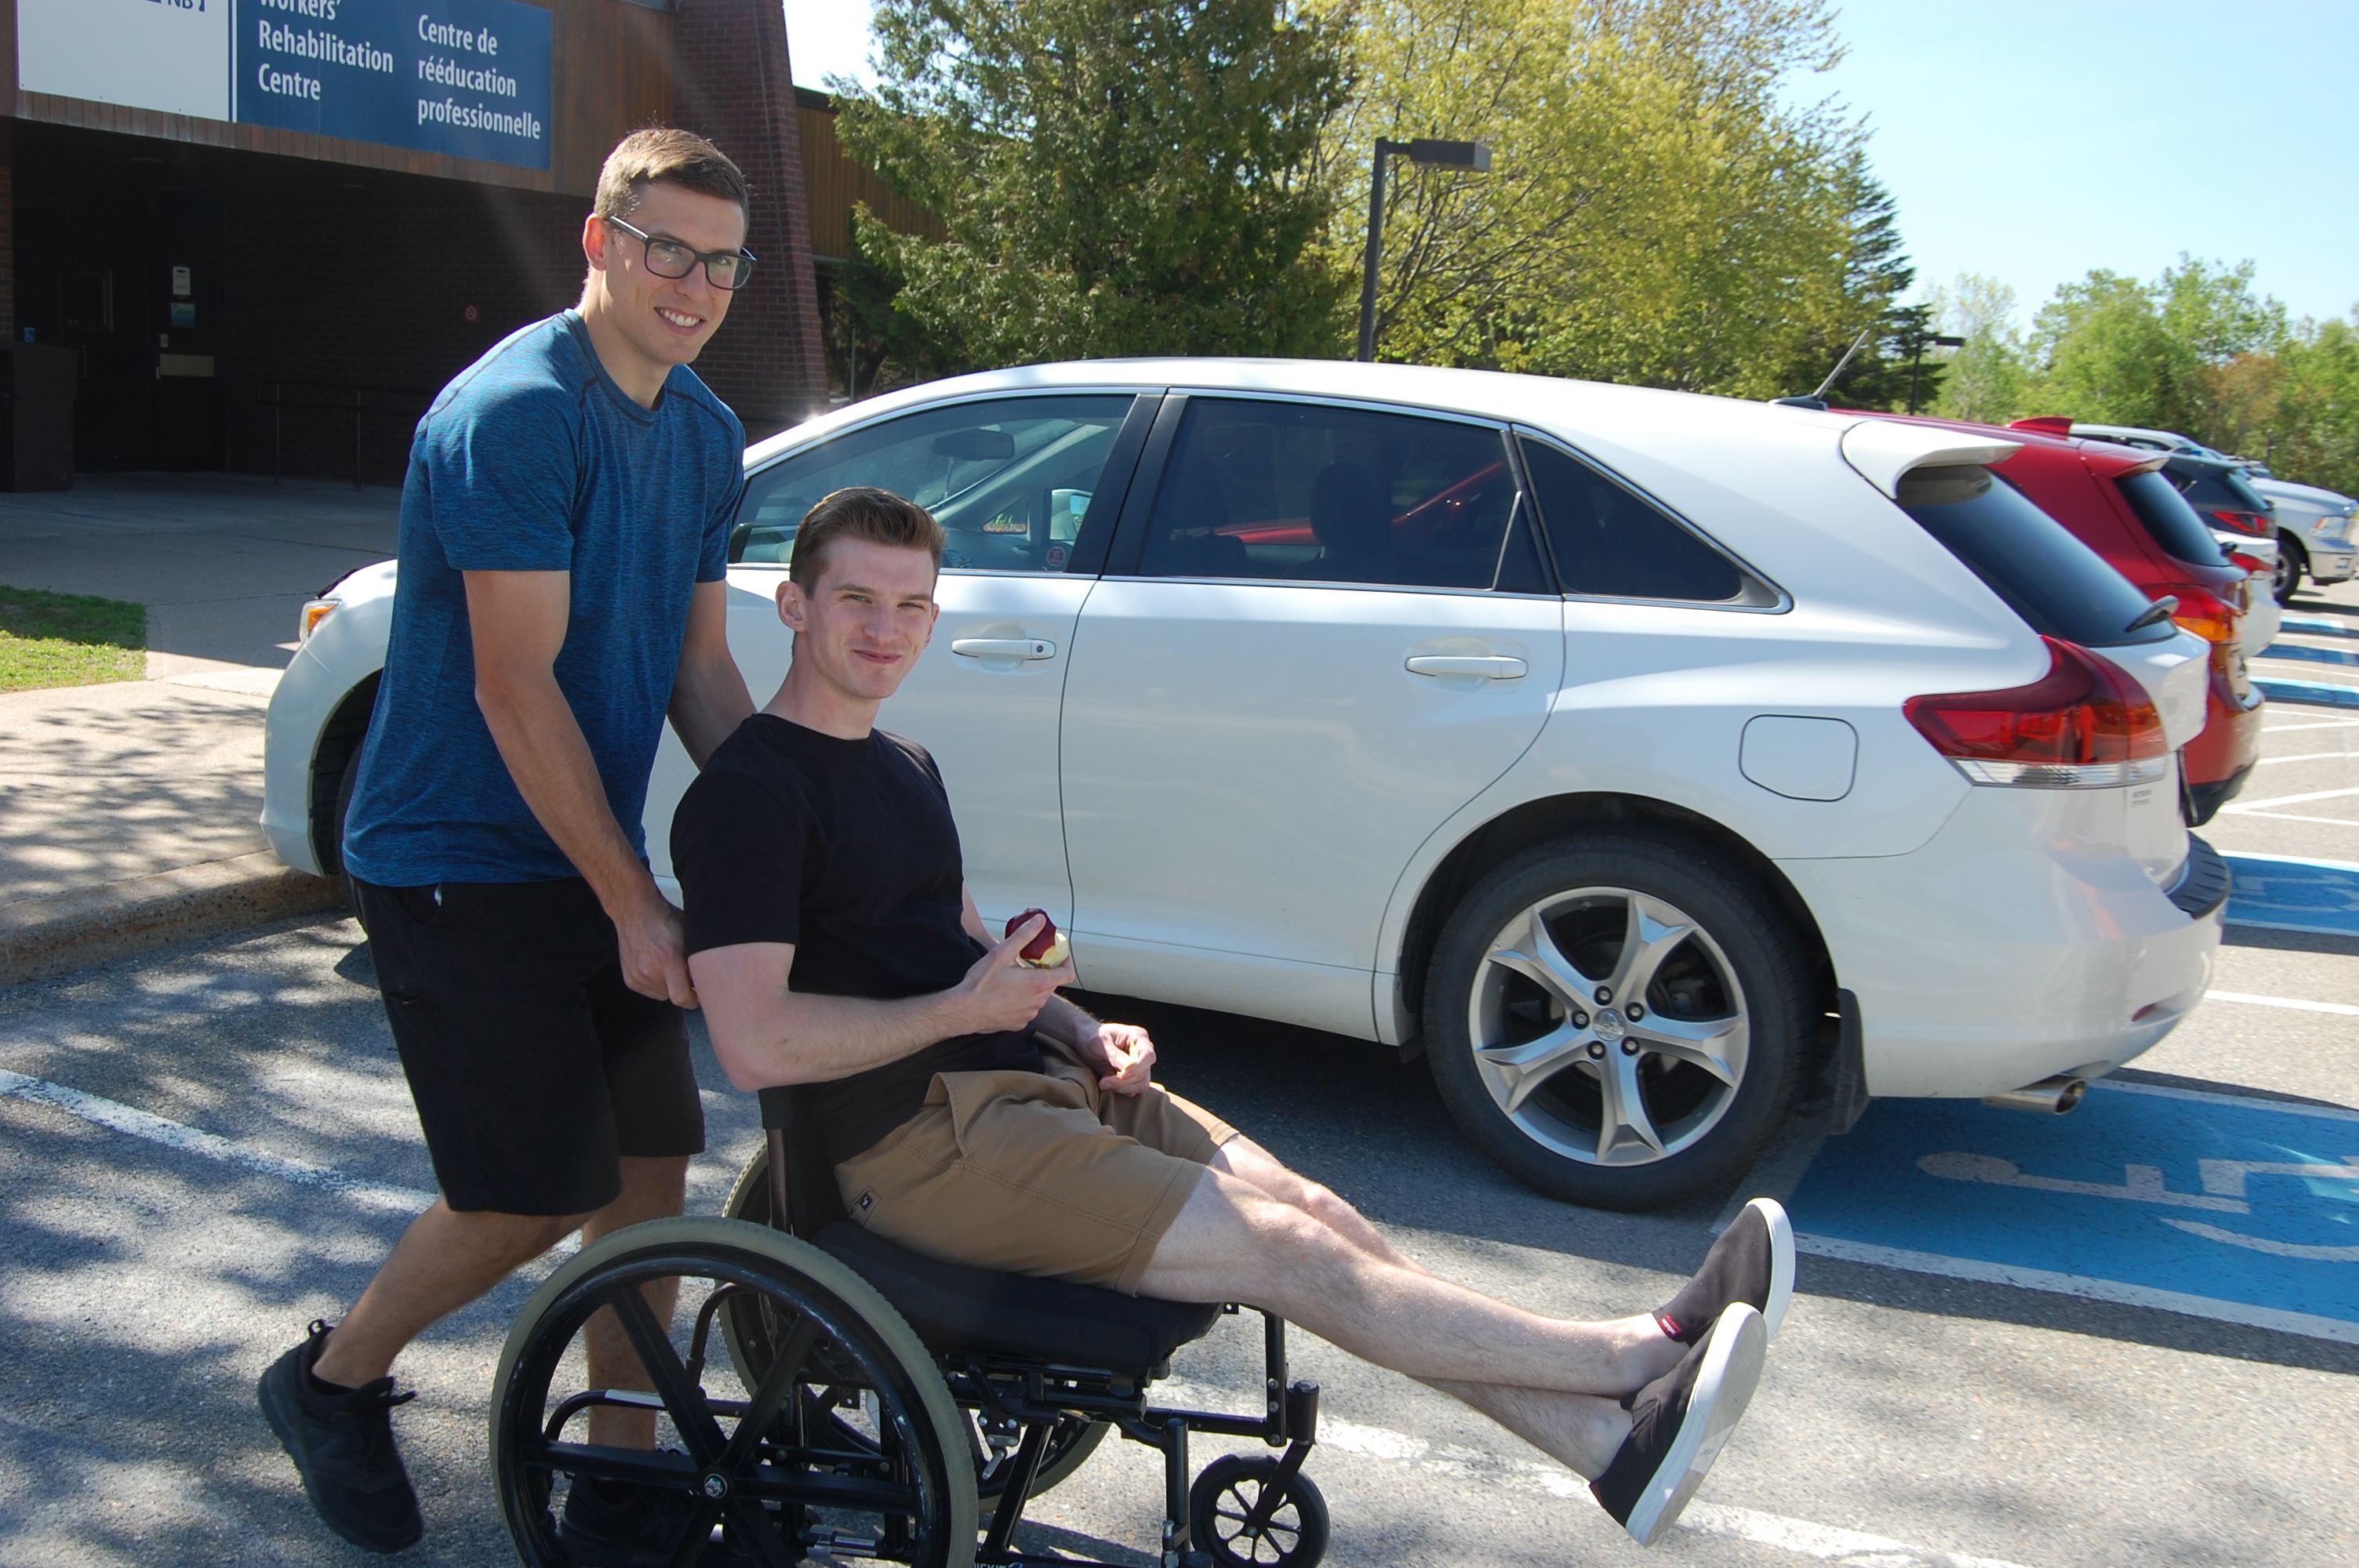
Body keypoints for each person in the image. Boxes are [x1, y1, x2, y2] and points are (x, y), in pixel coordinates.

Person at [671, 486, 1797, 1549]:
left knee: (1318, 1212)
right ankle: (1632, 1352)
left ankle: (1602, 1448)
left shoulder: (903, 763)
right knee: (1287, 1251)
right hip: (915, 1143)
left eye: (911, 604)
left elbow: (964, 938)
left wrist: (1080, 1031)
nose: (887, 629)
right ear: (795, 604)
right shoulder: (752, 797)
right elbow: (754, 1040)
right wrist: (959, 1011)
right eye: (858, 600)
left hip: (1036, 1088)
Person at [257, 128, 761, 1563]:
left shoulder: (709, 432)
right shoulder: (517, 414)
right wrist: (634, 901)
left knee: (650, 1174)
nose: (695, 283)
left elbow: (702, 673)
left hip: (577, 847)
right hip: (452, 858)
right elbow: (510, 681)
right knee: (525, 1190)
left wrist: (813, 819)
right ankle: (331, 1382)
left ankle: (622, 1473)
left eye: (720, 261)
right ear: (599, 243)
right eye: (666, 248)